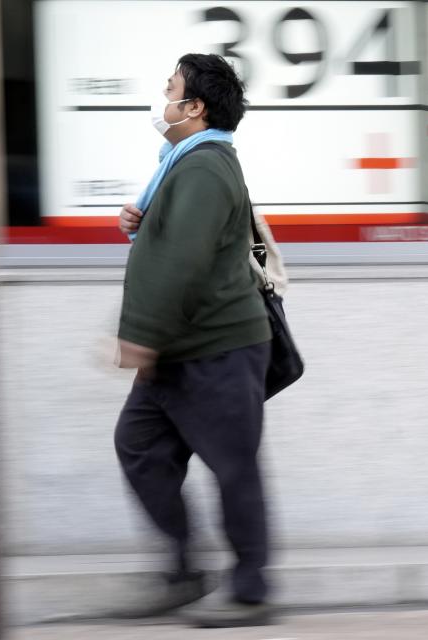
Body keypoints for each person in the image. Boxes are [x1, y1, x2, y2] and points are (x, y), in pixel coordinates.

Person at [113, 53, 274, 628]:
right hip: (180, 348)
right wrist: (145, 218)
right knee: (139, 446)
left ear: (195, 106)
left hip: (217, 346)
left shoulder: (205, 166)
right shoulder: (181, 164)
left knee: (234, 466)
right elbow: (176, 239)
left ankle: (250, 587)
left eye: (172, 88)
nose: (164, 97)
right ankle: (184, 572)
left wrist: (141, 338)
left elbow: (183, 259)